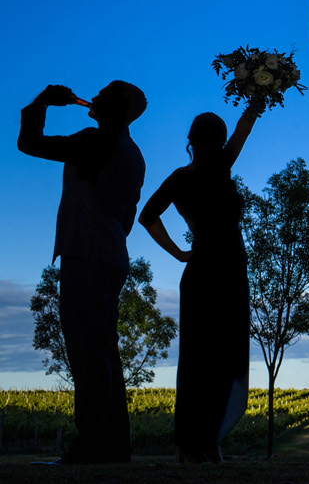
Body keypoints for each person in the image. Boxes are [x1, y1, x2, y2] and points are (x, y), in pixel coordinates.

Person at [18, 81, 146, 464]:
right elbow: (128, 216)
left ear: (116, 108)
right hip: (109, 256)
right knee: (104, 352)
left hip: (86, 255)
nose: (96, 94)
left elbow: (30, 143)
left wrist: (41, 101)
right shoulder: (133, 153)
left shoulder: (94, 139)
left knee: (88, 353)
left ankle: (91, 444)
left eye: (105, 93)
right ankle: (114, 445)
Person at [139, 100, 263, 463]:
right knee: (220, 352)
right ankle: (205, 443)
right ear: (217, 140)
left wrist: (179, 253)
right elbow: (244, 132)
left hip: (207, 267)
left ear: (191, 140)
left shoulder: (182, 178)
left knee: (199, 356)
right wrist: (255, 103)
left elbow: (148, 217)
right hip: (225, 267)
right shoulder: (220, 166)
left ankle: (196, 443)